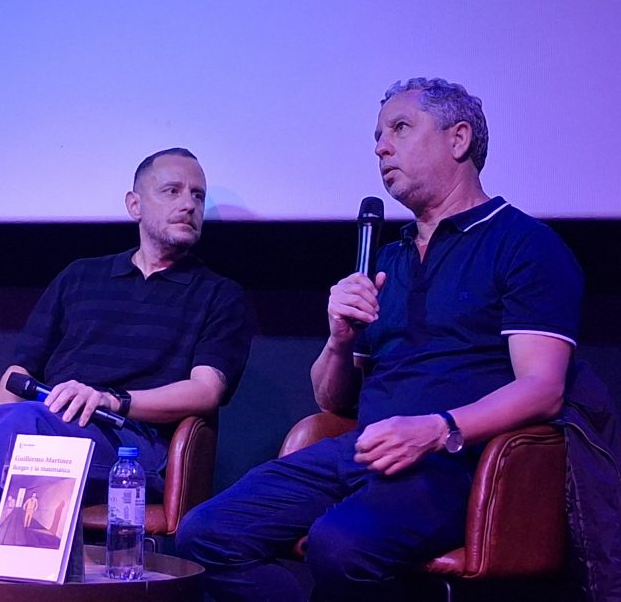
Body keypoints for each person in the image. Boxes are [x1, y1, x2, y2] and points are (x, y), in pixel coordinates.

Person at [177, 78, 583, 601]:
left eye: (400, 129)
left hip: (457, 460)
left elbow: (543, 388)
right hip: (364, 449)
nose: (380, 146)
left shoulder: (524, 245)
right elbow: (332, 399)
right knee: (205, 533)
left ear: (458, 140)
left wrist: (437, 430)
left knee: (340, 545)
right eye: (377, 135)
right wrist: (339, 339)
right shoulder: (387, 259)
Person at [0, 148, 253, 518]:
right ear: (135, 205)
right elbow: (17, 376)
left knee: (23, 426)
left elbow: (205, 392)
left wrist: (110, 400)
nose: (189, 205)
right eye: (172, 191)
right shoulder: (80, 276)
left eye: (198, 195)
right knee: (10, 421)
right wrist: (6, 421)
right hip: (50, 424)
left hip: (134, 448)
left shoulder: (218, 294)